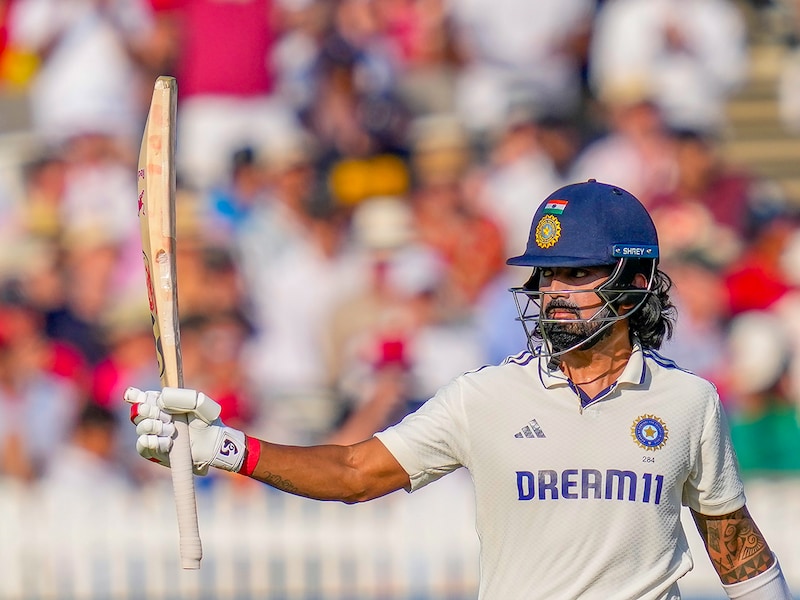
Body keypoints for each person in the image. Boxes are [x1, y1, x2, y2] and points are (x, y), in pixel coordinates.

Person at [125, 180, 792, 599]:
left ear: (636, 283)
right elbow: (356, 472)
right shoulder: (486, 397)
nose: (554, 294)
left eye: (577, 274)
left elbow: (733, 546)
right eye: (547, 276)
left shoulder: (687, 403)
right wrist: (225, 448)